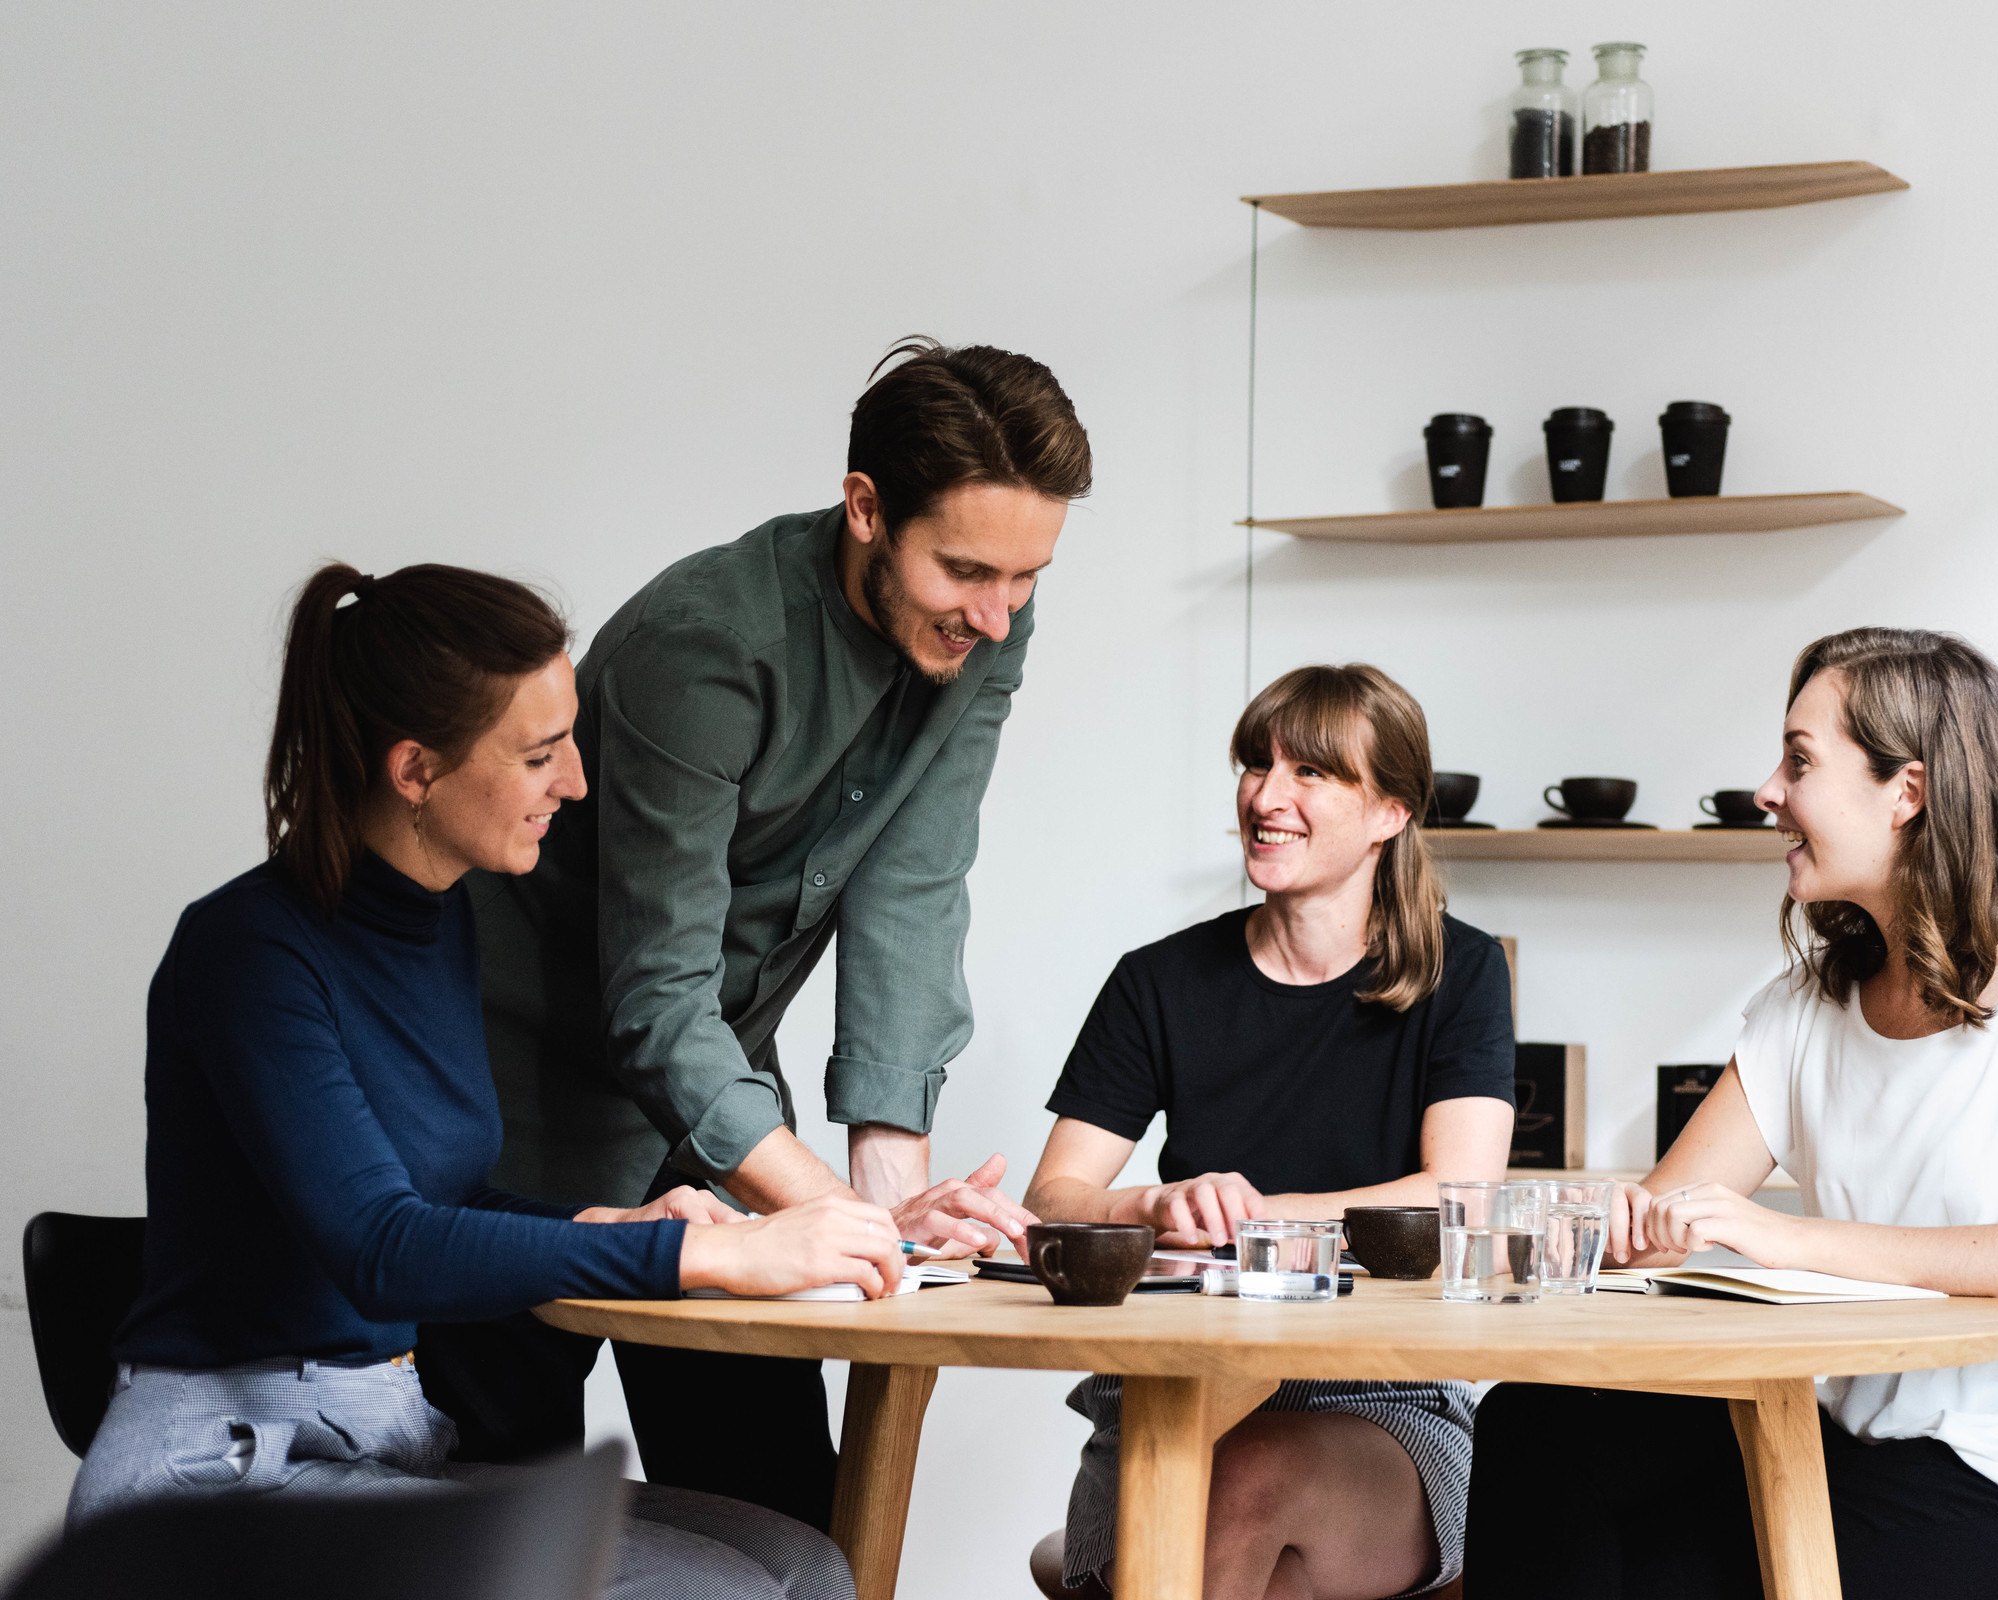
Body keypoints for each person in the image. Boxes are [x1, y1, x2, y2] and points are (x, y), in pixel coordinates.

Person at [75, 561, 901, 1600]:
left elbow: (444, 1193)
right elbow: (380, 1244)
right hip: (229, 1475)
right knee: (716, 1593)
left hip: (382, 1441)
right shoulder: (249, 951)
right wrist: (695, 1254)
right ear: (416, 769)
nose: (578, 784)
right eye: (541, 754)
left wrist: (604, 1220)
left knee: (801, 1561)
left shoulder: (441, 920)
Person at [417, 340, 1092, 1525]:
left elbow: (916, 884)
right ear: (867, 509)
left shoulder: (988, 625)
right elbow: (656, 995)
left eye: (1027, 578)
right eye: (968, 570)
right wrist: (818, 1204)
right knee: (497, 1519)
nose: (996, 615)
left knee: (778, 1522)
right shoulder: (707, 647)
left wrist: (884, 1204)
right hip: (522, 1101)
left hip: (720, 1106)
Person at [1463, 627, 1998, 1600]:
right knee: (1540, 1426)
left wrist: (1789, 1238)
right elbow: (1668, 1216)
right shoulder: (1808, 1011)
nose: (1769, 789)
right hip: (1857, 1446)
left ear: (1909, 791)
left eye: (1800, 760)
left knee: (1667, 1575)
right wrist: (1596, 1231)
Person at [1025, 664, 1517, 1600]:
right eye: (1257, 763)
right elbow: (1054, 1200)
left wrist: (1259, 1216)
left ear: (1391, 811)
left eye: (1312, 773)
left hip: (1383, 1402)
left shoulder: (1465, 971)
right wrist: (1157, 1201)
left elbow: (1458, 1197)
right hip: (1168, 1402)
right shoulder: (1157, 981)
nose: (1266, 794)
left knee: (1248, 1478)